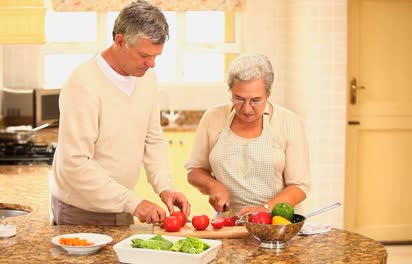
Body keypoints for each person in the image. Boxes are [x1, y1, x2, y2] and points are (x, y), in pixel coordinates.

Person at [51, 0, 190, 226]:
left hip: (121, 206)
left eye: (156, 56)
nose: (152, 64)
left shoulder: (146, 78)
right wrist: (132, 202)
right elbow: (74, 164)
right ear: (120, 41)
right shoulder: (83, 84)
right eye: (145, 55)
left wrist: (165, 187)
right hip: (80, 211)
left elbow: (152, 139)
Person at [185, 54, 311, 217]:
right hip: (228, 224)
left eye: (256, 100)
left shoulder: (288, 122)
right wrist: (213, 185)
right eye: (239, 99)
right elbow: (195, 170)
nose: (246, 109)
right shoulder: (213, 117)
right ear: (230, 91)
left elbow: (300, 186)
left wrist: (266, 209)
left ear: (268, 94)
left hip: (277, 225)